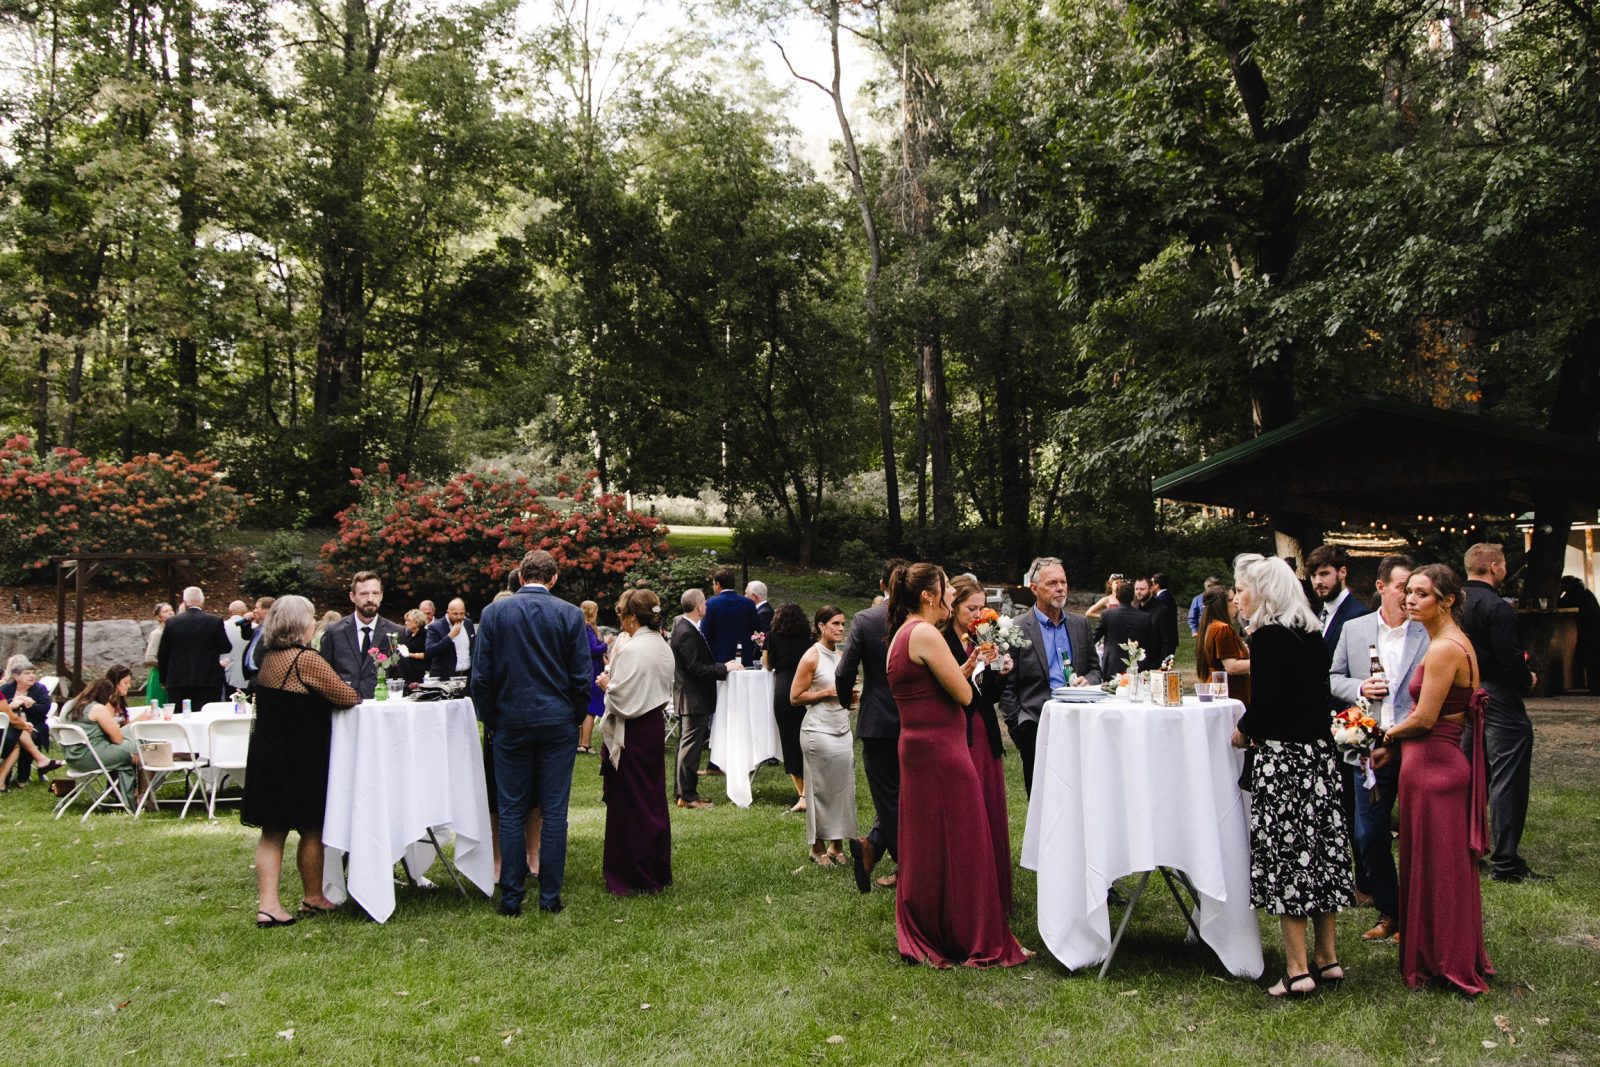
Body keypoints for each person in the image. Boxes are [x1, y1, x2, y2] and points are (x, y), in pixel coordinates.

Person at [885, 562, 1029, 968]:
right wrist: (971, 675)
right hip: (942, 752)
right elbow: (964, 697)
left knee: (932, 844)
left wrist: (968, 666)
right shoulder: (927, 632)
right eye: (946, 588)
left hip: (920, 748)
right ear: (929, 595)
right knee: (966, 843)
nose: (951, 594)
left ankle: (936, 926)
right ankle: (973, 935)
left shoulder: (903, 633)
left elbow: (937, 686)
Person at [1230, 554, 1353, 998]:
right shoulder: (1313, 636)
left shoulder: (1268, 639)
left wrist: (1243, 732)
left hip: (1284, 764)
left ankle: (1297, 970)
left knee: (1288, 861)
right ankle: (1328, 958)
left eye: (1242, 589)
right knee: (1320, 857)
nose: (1237, 597)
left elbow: (1266, 706)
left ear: (1263, 593)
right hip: (1320, 759)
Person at [1370, 564, 1494, 995]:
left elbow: (1423, 718)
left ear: (1448, 600)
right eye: (1409, 592)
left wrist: (1379, 732)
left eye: (1421, 594)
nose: (1410, 600)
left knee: (1437, 870)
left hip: (1434, 769)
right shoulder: (1452, 642)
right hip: (1433, 765)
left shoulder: (1444, 649)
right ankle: (1440, 952)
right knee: (1436, 867)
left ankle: (1443, 958)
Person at [471, 549, 593, 916]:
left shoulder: (494, 614)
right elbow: (581, 677)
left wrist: (492, 717)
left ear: (522, 577)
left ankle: (511, 898)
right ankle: (549, 896)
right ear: (553, 579)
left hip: (511, 721)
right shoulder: (570, 615)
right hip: (555, 721)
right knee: (554, 811)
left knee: (510, 810)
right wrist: (572, 716)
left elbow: (480, 677)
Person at [240, 595, 362, 927]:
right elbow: (346, 696)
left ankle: (269, 904)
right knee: (312, 828)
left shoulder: (269, 657)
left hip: (268, 755)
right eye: (311, 617)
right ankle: (312, 896)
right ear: (299, 624)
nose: (314, 622)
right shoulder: (305, 659)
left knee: (272, 832)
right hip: (300, 756)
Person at [1329, 554, 1428, 944]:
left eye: (1414, 589)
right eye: (1402, 587)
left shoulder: (1427, 632)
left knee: (1419, 837)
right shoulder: (1355, 629)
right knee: (1368, 835)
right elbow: (1332, 677)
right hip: (1368, 747)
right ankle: (1392, 912)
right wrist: (1358, 688)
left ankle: (1424, 918)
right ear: (1382, 587)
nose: (1408, 597)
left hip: (1416, 745)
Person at [1460, 543, 1544, 883]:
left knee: (1470, 773)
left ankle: (1470, 849)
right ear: (1494, 567)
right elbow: (1510, 659)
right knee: (1508, 775)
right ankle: (1506, 861)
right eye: (1504, 563)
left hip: (1463, 694)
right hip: (1495, 693)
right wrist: (1528, 678)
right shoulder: (1497, 606)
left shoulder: (1453, 601)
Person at [942, 575, 1015, 915]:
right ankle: (966, 893)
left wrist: (1001, 672)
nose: (977, 614)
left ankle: (994, 892)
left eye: (982, 608)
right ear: (953, 606)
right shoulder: (940, 641)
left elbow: (989, 699)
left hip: (983, 731)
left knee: (989, 807)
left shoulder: (983, 637)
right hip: (955, 730)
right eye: (971, 607)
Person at [997, 556, 1100, 797]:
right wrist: (1018, 728)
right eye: (1052, 583)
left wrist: (1089, 681)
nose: (1061, 588)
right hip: (1036, 724)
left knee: (1081, 797)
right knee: (1041, 802)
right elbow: (1006, 686)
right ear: (1034, 589)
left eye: (1063, 582)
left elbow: (1096, 670)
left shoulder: (1079, 624)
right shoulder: (1015, 627)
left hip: (1079, 722)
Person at [595, 589, 674, 896]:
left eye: (622, 614)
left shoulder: (632, 649)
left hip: (633, 731)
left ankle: (632, 873)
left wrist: (606, 686)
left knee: (631, 802)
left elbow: (622, 699)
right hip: (653, 726)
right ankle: (655, 867)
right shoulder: (662, 645)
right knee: (651, 798)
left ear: (631, 616)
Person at [840, 558, 910, 891]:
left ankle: (907, 867)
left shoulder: (866, 619)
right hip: (915, 717)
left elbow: (844, 672)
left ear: (882, 585)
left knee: (889, 797)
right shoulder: (920, 622)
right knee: (908, 795)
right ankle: (872, 846)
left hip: (878, 720)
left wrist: (845, 701)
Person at [789, 606, 857, 867]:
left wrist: (847, 700)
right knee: (819, 791)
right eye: (835, 624)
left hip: (841, 728)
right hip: (817, 730)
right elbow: (795, 697)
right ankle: (816, 848)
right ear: (820, 626)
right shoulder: (811, 657)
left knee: (842, 789)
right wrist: (827, 693)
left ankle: (836, 845)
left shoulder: (840, 656)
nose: (841, 628)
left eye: (843, 624)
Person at [670, 588, 740, 809]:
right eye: (705, 603)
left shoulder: (686, 627)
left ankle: (682, 794)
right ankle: (687, 796)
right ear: (698, 606)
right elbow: (695, 668)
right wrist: (724, 668)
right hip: (693, 697)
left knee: (688, 747)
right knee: (690, 748)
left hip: (692, 696)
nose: (707, 607)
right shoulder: (687, 631)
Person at [319, 572, 405, 700]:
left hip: (380, 709)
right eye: (364, 593)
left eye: (375, 593)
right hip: (343, 708)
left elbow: (401, 677)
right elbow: (323, 675)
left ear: (381, 595)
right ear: (352, 596)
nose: (370, 599)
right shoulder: (334, 631)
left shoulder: (395, 632)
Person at [58, 677, 139, 804]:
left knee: (133, 741)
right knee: (140, 749)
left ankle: (125, 793)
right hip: (92, 757)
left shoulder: (69, 705)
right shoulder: (97, 708)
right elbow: (117, 739)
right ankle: (138, 795)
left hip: (73, 757)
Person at [764, 602, 811, 813]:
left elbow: (767, 664)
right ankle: (808, 793)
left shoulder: (772, 636)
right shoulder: (808, 637)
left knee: (789, 741)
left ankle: (801, 793)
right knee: (807, 740)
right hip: (805, 687)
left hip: (784, 688)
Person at [157, 586, 231, 712]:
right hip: (207, 679)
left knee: (179, 717)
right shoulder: (214, 621)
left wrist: (164, 679)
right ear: (202, 602)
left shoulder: (172, 622)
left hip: (177, 680)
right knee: (205, 715)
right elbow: (226, 647)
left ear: (185, 603)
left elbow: (163, 653)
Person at [1195, 586, 1250, 706]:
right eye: (1232, 599)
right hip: (1231, 694)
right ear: (1222, 604)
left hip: (1216, 690)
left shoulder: (1210, 626)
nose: (1236, 602)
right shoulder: (1222, 628)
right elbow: (1232, 667)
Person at [1308, 545, 1371, 651]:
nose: (1317, 581)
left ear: (1342, 572)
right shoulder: (1320, 615)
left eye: (1324, 573)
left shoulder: (1359, 615)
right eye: (1313, 575)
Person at [3, 655, 54, 784]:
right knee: (15, 735)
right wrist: (11, 703)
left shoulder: (40, 689)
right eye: (27, 673)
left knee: (23, 736)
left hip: (35, 725)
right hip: (9, 725)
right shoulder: (5, 689)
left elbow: (44, 711)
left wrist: (31, 705)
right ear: (16, 676)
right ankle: (20, 777)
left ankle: (20, 777)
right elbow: (2, 708)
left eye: (33, 673)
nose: (32, 676)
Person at [1095, 580, 1156, 678]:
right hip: (1138, 667)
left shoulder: (1107, 614)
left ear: (1117, 596)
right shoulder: (1145, 617)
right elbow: (1152, 644)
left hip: (1112, 665)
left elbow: (1093, 639)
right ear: (1133, 596)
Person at [701, 568, 761, 667]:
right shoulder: (748, 603)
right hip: (745, 658)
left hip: (719, 660)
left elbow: (705, 634)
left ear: (718, 584)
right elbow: (757, 632)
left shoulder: (711, 604)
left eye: (713, 584)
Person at [1559, 575, 1600, 691]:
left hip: (1589, 629)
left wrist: (1559, 592)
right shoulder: (1583, 591)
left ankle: (1595, 687)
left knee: (1589, 656)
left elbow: (1560, 603)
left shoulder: (1575, 593)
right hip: (1593, 628)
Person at [578, 600, 606, 755]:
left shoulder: (582, 626)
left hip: (589, 669)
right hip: (593, 670)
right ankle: (585, 743)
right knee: (591, 709)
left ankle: (581, 742)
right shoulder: (588, 627)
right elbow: (592, 649)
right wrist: (606, 644)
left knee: (587, 707)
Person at [424, 597, 475, 682]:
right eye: (455, 614)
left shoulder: (468, 623)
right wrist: (450, 636)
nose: (459, 617)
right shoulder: (435, 627)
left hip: (467, 675)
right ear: (448, 612)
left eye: (462, 613)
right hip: (445, 677)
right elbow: (429, 652)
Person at [1140, 573, 1180, 666]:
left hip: (1165, 640)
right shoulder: (1167, 596)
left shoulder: (1162, 599)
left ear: (1157, 585)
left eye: (1152, 583)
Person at [144, 602, 174, 706]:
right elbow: (149, 657)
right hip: (159, 674)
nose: (170, 613)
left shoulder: (171, 631)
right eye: (166, 611)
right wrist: (167, 665)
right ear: (158, 617)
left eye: (171, 610)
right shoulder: (157, 633)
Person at [396, 609, 430, 690]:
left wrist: (409, 654)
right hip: (408, 674)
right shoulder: (409, 635)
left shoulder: (425, 635)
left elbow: (429, 655)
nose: (405, 623)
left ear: (417, 622)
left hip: (420, 674)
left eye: (408, 620)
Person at [224, 600, 253, 692]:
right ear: (245, 612)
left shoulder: (221, 626)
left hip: (227, 672)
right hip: (248, 674)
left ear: (229, 611)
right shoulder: (256, 628)